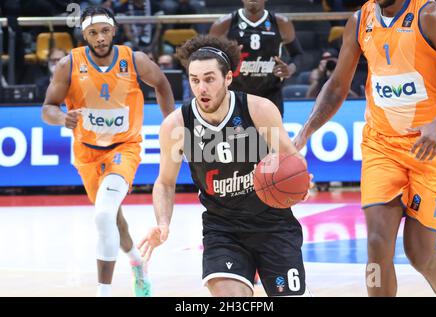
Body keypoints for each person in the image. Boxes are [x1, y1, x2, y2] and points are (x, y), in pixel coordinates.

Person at [294, 0, 436, 297]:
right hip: (382, 145)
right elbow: (338, 86)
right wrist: (305, 133)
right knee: (377, 243)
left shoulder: (430, 15)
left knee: (419, 253)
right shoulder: (359, 20)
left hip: (430, 147)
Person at [138, 35, 311, 297]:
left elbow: (292, 158)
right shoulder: (176, 126)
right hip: (223, 229)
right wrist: (163, 224)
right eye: (194, 80)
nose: (201, 88)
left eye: (209, 79)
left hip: (274, 223)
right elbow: (165, 182)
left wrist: (300, 184)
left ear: (228, 78)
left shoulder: (259, 110)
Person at [41, 6, 175, 297]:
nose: (100, 37)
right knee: (114, 219)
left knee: (103, 215)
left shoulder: (134, 60)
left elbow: (162, 84)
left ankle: (104, 292)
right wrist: (61, 118)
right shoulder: (69, 64)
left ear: (113, 30)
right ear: (84, 35)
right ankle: (138, 265)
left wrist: (171, 123)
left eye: (104, 31)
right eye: (92, 32)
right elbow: (48, 108)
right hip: (87, 153)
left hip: (124, 149)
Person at [209, 0, 303, 117]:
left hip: (270, 96)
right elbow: (209, 60)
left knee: (271, 135)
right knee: (236, 135)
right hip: (235, 96)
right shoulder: (223, 24)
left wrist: (290, 69)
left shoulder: (281, 23)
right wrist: (229, 56)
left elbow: (297, 54)